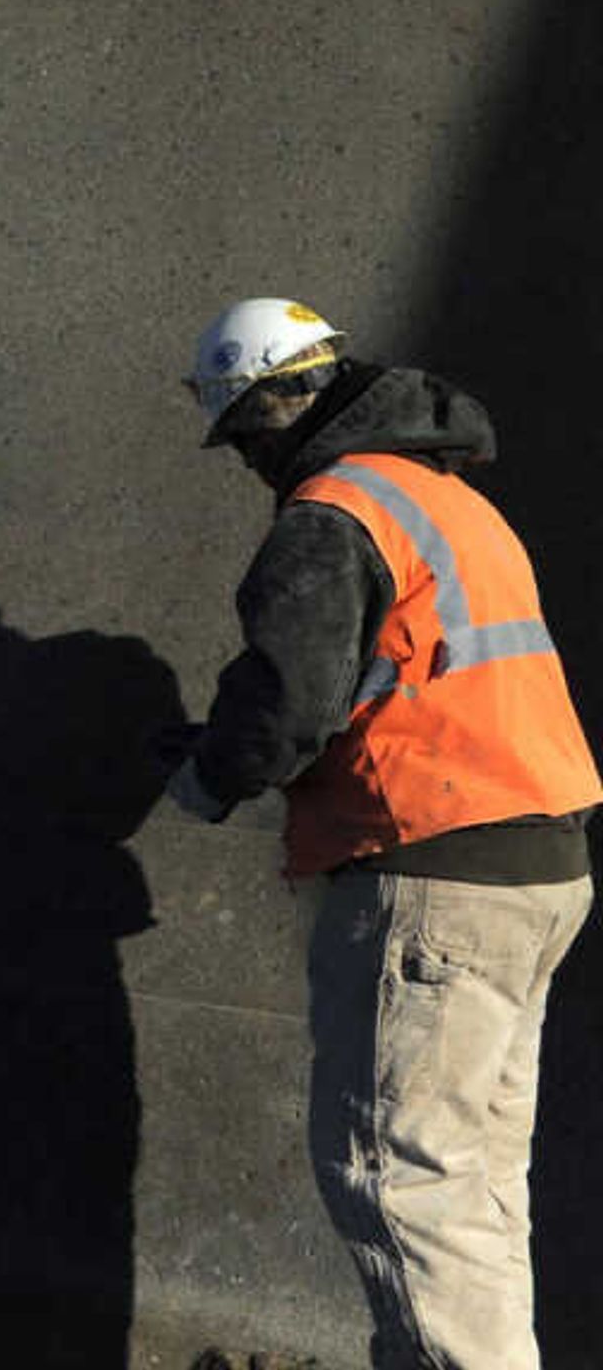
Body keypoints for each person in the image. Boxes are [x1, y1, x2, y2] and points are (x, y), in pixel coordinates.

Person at [159, 298, 601, 1370]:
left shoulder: (332, 509)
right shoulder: (444, 495)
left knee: (397, 1180)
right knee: (475, 1185)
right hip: (539, 867)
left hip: (432, 873)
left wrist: (208, 777)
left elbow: (288, 698)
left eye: (245, 439)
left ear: (270, 409)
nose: (250, 465)